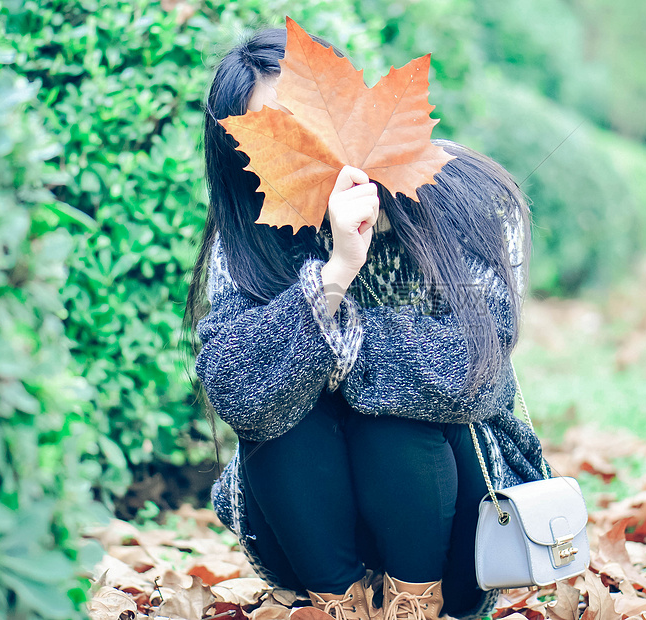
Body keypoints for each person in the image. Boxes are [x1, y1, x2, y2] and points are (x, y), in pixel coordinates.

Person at [185, 26, 550, 620]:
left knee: (394, 410)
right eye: (272, 137)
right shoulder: (249, 234)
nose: (304, 149)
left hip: (466, 530)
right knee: (272, 399)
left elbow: (471, 373)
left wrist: (338, 348)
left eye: (309, 120)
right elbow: (237, 393)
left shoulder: (467, 195)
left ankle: (415, 606)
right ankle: (342, 609)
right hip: (310, 544)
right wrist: (333, 276)